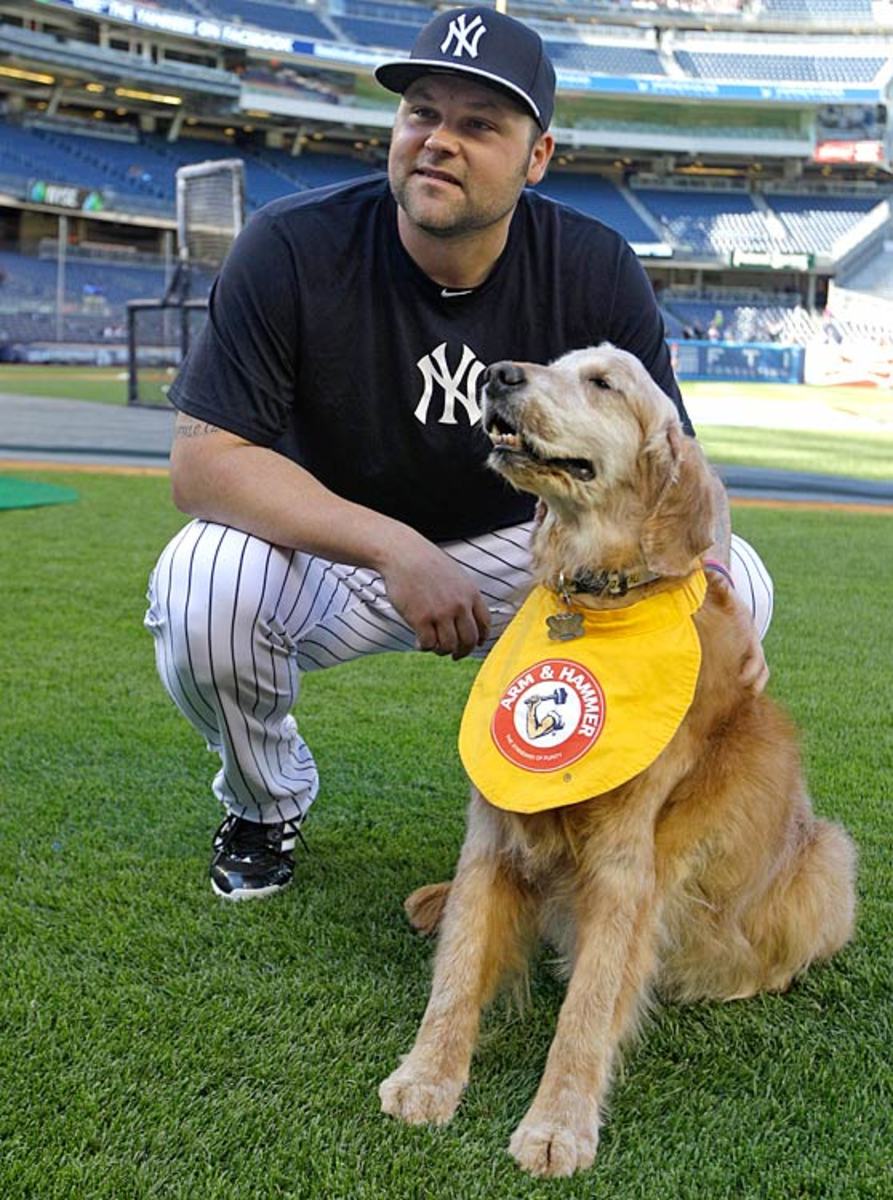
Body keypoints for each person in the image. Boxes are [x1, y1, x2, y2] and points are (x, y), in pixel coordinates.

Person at [145, 6, 773, 901]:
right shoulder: (289, 245)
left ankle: (586, 825)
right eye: (422, 113)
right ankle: (263, 802)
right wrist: (392, 549)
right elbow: (203, 464)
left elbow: (673, 471)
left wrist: (716, 595)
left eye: (478, 125)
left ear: (537, 157)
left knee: (736, 581)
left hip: (532, 559)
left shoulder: (592, 265)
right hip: (336, 558)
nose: (439, 141)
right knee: (204, 579)